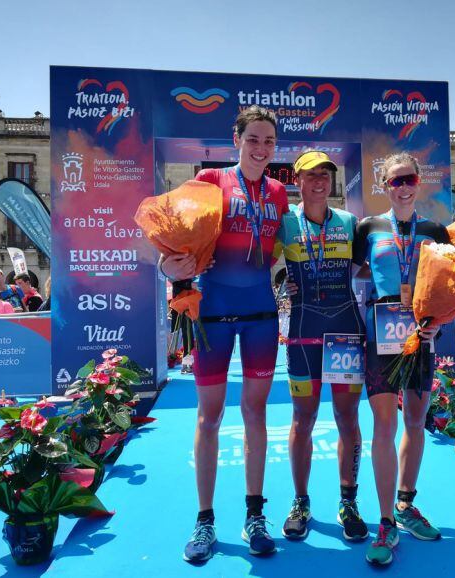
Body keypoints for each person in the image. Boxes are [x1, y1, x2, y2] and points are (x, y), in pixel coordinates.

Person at [161, 106, 289, 562]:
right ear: (236, 140)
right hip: (212, 312)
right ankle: (205, 520)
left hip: (260, 313)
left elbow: (279, 251)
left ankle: (255, 515)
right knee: (208, 417)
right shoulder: (211, 181)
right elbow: (172, 241)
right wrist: (173, 269)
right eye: (253, 139)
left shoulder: (278, 192)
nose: (260, 148)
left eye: (269, 142)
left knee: (256, 414)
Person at [353, 153, 447, 566]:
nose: (403, 186)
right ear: (385, 187)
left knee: (414, 419)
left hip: (422, 333)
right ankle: (386, 520)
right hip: (381, 333)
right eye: (395, 181)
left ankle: (407, 505)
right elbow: (355, 275)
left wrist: (437, 324)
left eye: (409, 178)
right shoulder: (368, 228)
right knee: (384, 424)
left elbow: (447, 286)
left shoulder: (435, 230)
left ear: (418, 181)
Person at [274, 151, 368, 543]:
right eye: (312, 175)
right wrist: (280, 286)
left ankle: (348, 501)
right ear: (297, 180)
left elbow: (368, 267)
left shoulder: (349, 222)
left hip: (345, 331)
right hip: (301, 333)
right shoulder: (284, 224)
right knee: (303, 418)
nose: (320, 182)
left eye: (326, 175)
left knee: (347, 419)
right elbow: (263, 266)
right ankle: (300, 501)